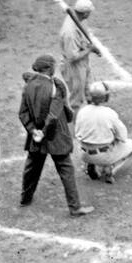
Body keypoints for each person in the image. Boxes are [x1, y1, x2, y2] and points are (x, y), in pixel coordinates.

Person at [18, 54, 94, 216]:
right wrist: (44, 132)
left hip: (36, 137)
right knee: (66, 170)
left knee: (32, 168)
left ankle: (25, 198)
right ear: (48, 68)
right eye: (52, 65)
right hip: (55, 136)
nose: (55, 68)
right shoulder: (56, 86)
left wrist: (34, 131)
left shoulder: (28, 86)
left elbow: (23, 114)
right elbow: (53, 116)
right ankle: (75, 207)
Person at [75, 81, 132, 184]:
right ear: (105, 97)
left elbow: (78, 133)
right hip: (103, 155)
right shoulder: (109, 113)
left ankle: (90, 165)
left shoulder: (82, 111)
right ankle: (110, 170)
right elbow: (123, 137)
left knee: (95, 141)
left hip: (83, 153)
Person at [59, 0, 101, 103]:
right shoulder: (70, 32)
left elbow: (82, 39)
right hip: (73, 68)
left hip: (82, 63)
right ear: (85, 13)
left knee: (90, 91)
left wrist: (88, 47)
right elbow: (72, 57)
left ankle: (91, 115)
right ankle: (76, 119)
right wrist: (90, 49)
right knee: (76, 99)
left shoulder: (78, 19)